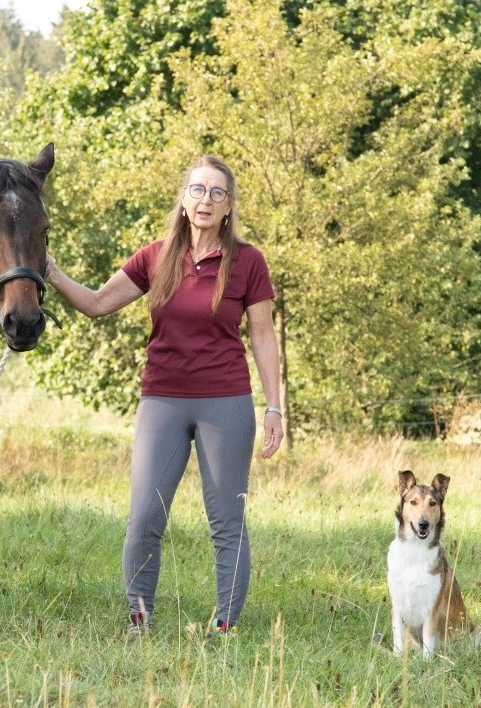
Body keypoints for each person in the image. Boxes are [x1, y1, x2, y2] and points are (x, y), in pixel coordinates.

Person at [46, 155, 283, 636]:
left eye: (217, 193)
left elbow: (262, 335)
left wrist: (274, 405)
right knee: (145, 516)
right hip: (162, 401)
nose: (205, 200)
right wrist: (46, 269)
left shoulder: (248, 262)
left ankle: (225, 625)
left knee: (227, 522)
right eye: (197, 190)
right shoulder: (155, 257)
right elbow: (95, 304)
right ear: (182, 198)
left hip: (226, 402)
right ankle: (139, 618)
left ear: (228, 207)